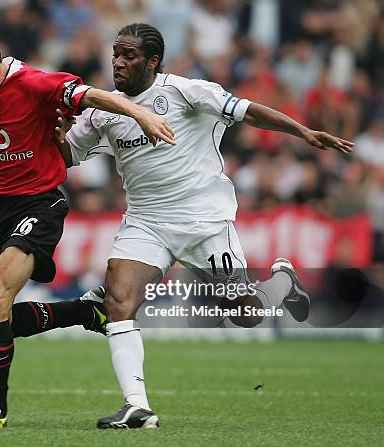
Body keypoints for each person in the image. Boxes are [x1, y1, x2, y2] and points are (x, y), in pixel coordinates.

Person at [54, 23, 354, 429]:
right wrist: (56, 138)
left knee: (246, 314)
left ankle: (283, 282)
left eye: (129, 56)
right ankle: (137, 406)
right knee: (118, 300)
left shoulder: (185, 92)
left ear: (152, 61)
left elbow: (247, 110)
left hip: (205, 223)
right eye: (116, 54)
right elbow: (67, 156)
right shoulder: (103, 109)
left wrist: (302, 131)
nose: (118, 63)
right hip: (146, 222)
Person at [0, 22, 175, 429]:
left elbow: (91, 95)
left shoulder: (36, 83)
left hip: (40, 203)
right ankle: (88, 313)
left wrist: (138, 111)